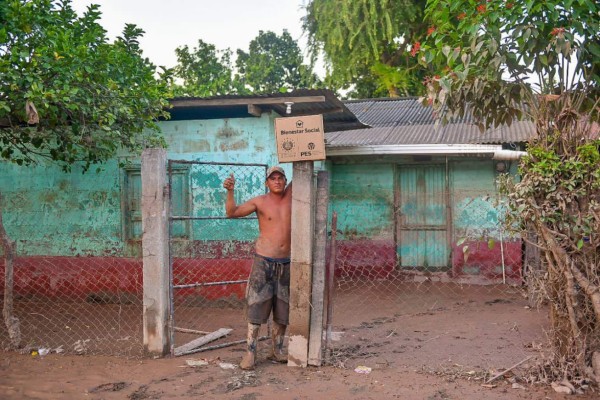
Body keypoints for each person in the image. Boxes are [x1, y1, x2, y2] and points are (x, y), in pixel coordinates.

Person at [223, 166, 292, 370]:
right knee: (256, 307)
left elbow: (305, 161)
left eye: (281, 178)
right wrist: (230, 191)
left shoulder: (291, 196)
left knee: (283, 309)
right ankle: (250, 352)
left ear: (285, 181)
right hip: (263, 262)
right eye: (273, 178)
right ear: (267, 183)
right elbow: (232, 213)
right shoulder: (260, 201)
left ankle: (277, 350)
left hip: (287, 263)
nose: (277, 181)